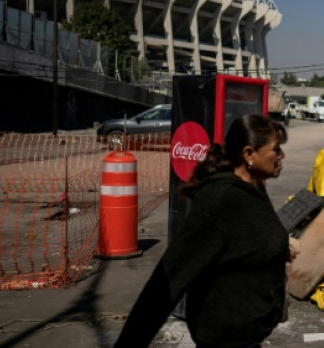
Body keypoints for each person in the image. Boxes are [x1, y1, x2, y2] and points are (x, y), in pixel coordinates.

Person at [115, 115, 292, 348]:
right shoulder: (220, 199)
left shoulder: (254, 189)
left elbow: (246, 241)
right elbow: (168, 279)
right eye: (275, 149)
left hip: (250, 337)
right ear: (249, 154)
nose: (281, 156)